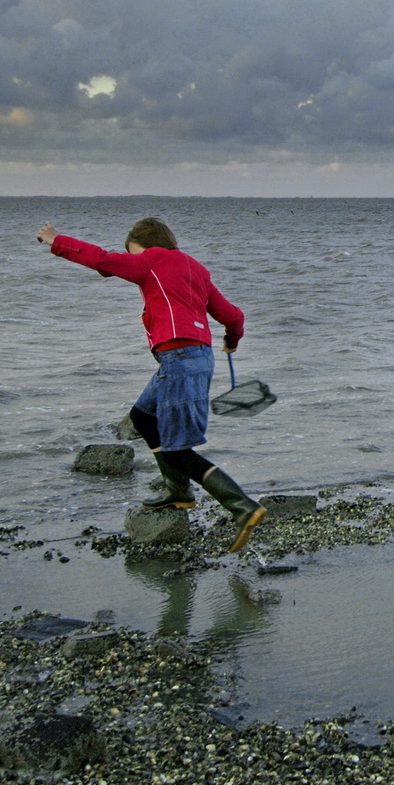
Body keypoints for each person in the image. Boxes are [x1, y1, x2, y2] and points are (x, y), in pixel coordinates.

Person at [36, 216, 267, 552]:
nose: (133, 262)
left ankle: (242, 507)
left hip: (180, 358)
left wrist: (57, 240)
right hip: (194, 357)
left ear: (142, 245)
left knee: (177, 448)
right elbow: (233, 316)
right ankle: (179, 491)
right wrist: (232, 340)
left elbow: (102, 259)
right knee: (143, 418)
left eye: (133, 253)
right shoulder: (196, 269)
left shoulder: (152, 260)